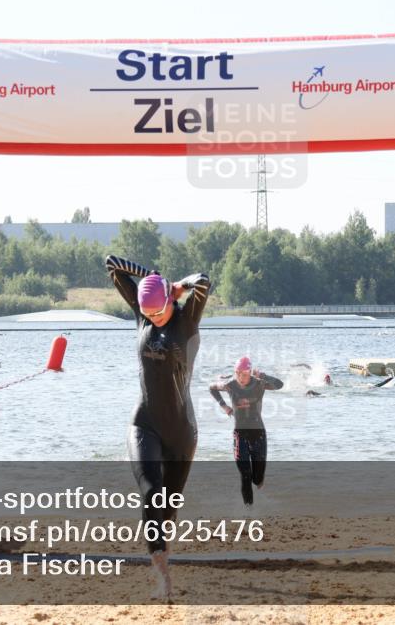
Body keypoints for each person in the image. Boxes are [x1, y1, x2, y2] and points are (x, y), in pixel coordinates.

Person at [105, 254, 210, 600]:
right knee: (151, 492)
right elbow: (112, 264)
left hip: (182, 432)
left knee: (168, 508)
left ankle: (163, 549)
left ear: (171, 300)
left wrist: (175, 285)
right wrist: (150, 276)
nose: (152, 319)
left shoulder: (187, 320)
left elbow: (204, 281)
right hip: (144, 423)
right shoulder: (143, 312)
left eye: (157, 312)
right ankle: (162, 576)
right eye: (146, 314)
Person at [209, 356, 283, 507]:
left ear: (250, 373)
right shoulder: (230, 385)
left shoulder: (259, 384)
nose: (241, 378)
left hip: (258, 435)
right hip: (240, 434)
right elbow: (212, 387)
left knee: (257, 478)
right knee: (245, 475)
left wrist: (262, 375)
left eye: (244, 374)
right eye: (238, 373)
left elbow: (279, 384)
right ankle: (249, 511)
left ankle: (259, 481)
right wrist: (224, 406)